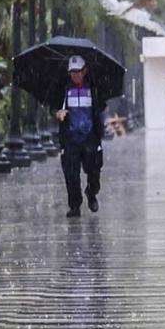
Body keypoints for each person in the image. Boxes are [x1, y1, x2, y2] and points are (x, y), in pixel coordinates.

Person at [53, 56, 105, 216]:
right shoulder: (63, 89)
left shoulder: (94, 88)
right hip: (70, 140)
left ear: (84, 71)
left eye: (78, 71)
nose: (75, 75)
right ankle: (75, 206)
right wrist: (57, 113)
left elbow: (100, 108)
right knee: (71, 175)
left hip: (90, 138)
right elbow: (54, 107)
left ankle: (91, 192)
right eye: (72, 72)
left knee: (94, 172)